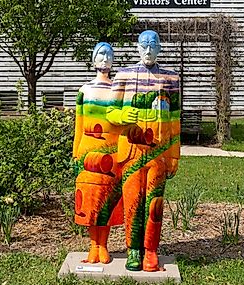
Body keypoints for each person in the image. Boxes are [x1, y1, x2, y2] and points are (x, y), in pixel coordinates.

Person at [108, 30, 181, 272]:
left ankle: (150, 249)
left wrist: (174, 155)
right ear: (137, 48)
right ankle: (133, 249)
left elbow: (174, 119)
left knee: (154, 203)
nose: (148, 50)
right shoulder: (123, 75)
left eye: (152, 45)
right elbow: (110, 112)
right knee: (132, 202)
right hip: (131, 152)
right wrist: (122, 115)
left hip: (158, 152)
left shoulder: (170, 78)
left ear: (159, 48)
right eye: (144, 46)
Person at [72, 42, 124, 264]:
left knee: (107, 201)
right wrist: (76, 152)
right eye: (101, 54)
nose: (105, 58)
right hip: (87, 153)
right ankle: (93, 245)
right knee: (90, 201)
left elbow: (121, 125)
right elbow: (79, 124)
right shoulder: (84, 90)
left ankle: (104, 245)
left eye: (109, 54)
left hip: (112, 154)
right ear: (93, 59)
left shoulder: (118, 91)